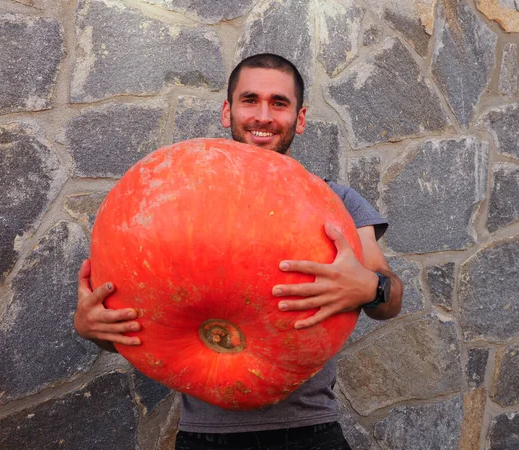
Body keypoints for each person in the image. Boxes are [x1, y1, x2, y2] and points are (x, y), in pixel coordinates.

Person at [75, 53, 403, 450]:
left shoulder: (339, 200)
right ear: (228, 111)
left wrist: (371, 288)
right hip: (205, 437)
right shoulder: (178, 194)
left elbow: (390, 301)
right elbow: (135, 330)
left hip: (311, 433)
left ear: (299, 118)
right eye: (250, 100)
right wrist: (93, 329)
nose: (263, 116)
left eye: (279, 103)